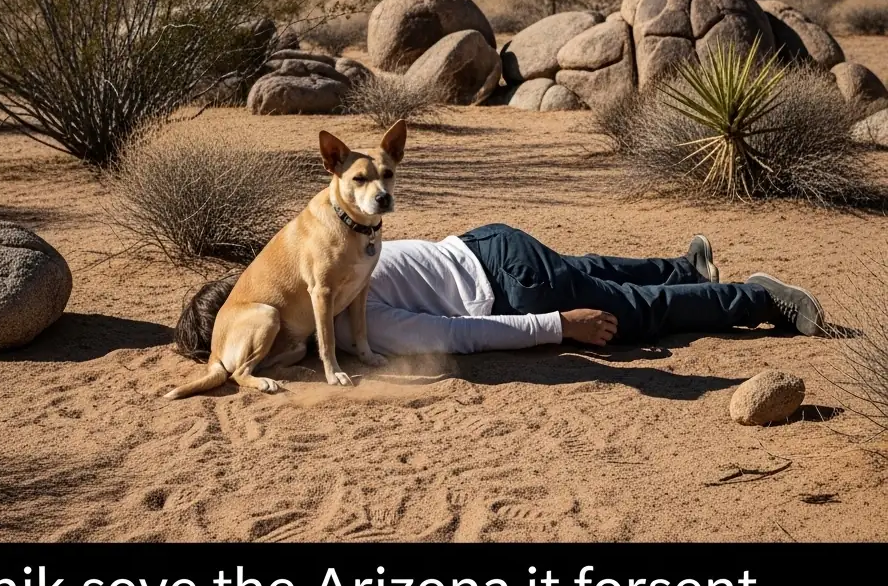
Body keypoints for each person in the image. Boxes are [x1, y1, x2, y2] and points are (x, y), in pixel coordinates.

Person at [332, 224, 827, 357]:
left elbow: (459, 334)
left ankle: (759, 299)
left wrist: (560, 326)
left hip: (514, 289)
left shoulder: (360, 318)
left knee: (634, 311)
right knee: (587, 272)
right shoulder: (343, 254)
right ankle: (687, 269)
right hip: (485, 245)